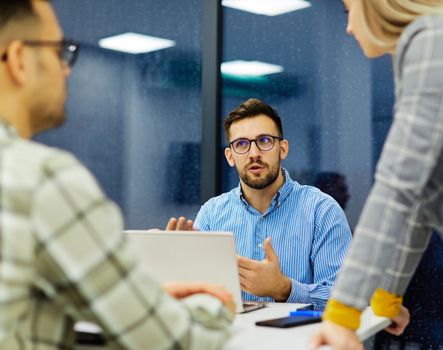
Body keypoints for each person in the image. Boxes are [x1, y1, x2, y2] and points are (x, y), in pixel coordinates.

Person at [0, 1, 235, 349]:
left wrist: (144, 301)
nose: (67, 69)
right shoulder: (43, 179)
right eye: (59, 51)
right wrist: (214, 303)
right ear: (19, 59)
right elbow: (171, 341)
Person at [311, 1, 443, 349]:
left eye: (348, 11)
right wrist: (389, 296)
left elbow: (396, 188)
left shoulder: (431, 36)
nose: (349, 27)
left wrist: (342, 313)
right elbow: (420, 201)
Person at [172, 99, 352, 308]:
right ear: (230, 156)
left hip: (299, 340)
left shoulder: (321, 211)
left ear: (282, 149)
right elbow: (197, 299)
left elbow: (345, 301)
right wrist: (175, 264)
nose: (254, 153)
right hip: (233, 339)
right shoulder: (211, 214)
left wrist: (284, 288)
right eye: (241, 144)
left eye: (264, 141)